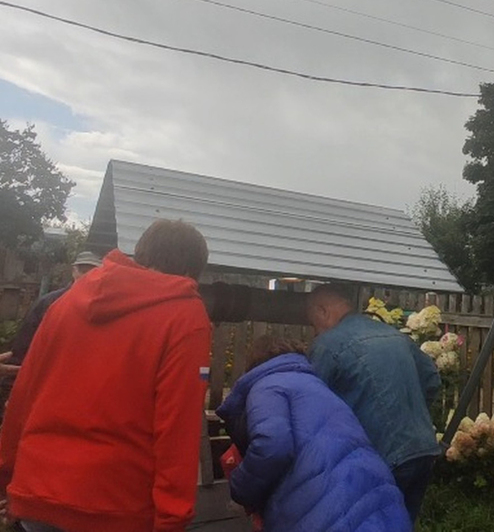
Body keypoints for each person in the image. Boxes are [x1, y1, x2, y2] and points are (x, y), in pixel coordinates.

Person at [0, 219, 212, 532]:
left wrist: (7, 477)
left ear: (141, 255)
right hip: (113, 504)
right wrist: (172, 519)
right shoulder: (185, 316)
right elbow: (178, 425)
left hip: (37, 492)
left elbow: (24, 393)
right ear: (193, 271)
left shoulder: (66, 303)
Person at [216, 335, 411, 532]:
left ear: (254, 363)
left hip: (327, 504)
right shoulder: (316, 385)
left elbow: (272, 446)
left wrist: (240, 487)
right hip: (371, 488)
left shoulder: (268, 385)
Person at [306, 284, 441, 523]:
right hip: (423, 450)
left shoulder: (329, 344)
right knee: (402, 523)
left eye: (313, 323)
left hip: (381, 456)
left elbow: (312, 406)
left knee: (367, 524)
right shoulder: (392, 334)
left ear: (322, 311)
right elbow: (431, 378)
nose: (315, 332)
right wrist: (412, 413)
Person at [0, 252, 103, 399]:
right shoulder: (49, 303)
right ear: (74, 271)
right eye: (83, 271)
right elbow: (23, 347)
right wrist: (10, 390)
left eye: (95, 271)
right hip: (42, 385)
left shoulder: (104, 308)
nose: (88, 276)